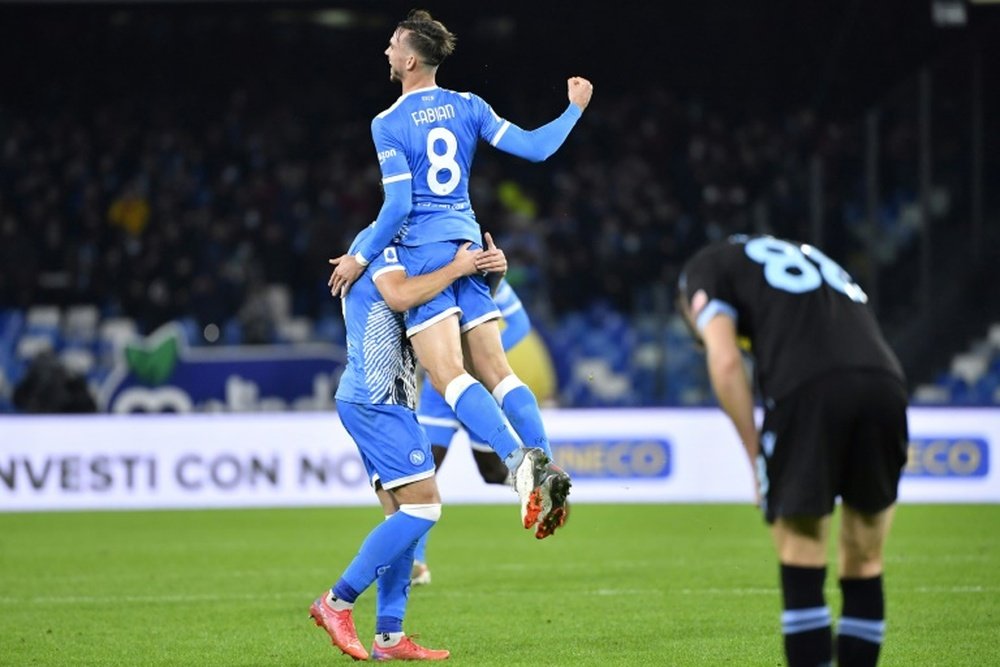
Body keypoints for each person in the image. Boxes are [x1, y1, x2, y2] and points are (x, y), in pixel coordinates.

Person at [328, 9, 593, 538]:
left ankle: (520, 466)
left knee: (450, 376)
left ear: (408, 59)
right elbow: (537, 149)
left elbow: (398, 206)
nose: (385, 51)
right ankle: (547, 462)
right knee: (500, 371)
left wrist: (361, 256)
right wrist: (574, 109)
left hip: (428, 254)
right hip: (469, 243)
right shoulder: (468, 105)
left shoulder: (388, 122)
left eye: (390, 45)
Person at [676, 234, 908, 667]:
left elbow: (725, 362)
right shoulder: (807, 256)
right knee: (865, 555)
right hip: (886, 383)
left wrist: (754, 457)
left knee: (802, 551)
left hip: (808, 387)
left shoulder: (702, 269)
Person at [310, 225, 506, 661]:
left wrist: (488, 272)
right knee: (425, 507)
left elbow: (446, 299)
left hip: (380, 399)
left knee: (401, 518)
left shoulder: (392, 250)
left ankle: (389, 636)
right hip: (378, 400)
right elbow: (400, 297)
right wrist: (458, 265)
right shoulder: (381, 251)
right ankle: (337, 601)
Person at [411, 278, 531, 585]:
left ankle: (533, 483)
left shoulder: (486, 277)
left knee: (491, 473)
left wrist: (481, 355)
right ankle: (416, 562)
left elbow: (520, 323)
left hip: (478, 392)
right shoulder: (432, 275)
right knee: (424, 473)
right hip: (439, 394)